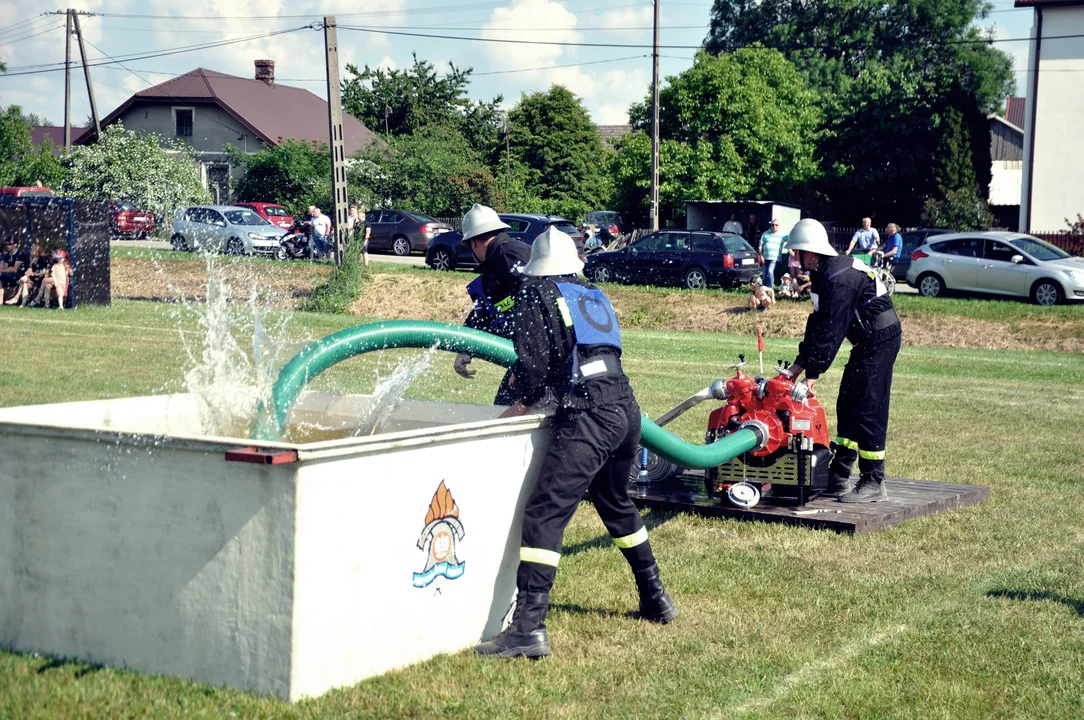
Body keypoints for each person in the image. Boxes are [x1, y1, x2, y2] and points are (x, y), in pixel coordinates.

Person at [474, 227, 677, 659]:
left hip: (589, 414)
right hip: (626, 408)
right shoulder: (592, 293)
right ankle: (656, 598)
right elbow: (587, 351)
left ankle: (528, 627)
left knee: (545, 513)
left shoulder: (536, 292)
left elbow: (534, 362)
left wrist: (520, 399)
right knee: (615, 500)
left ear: (537, 267)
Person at [784, 219, 902, 503]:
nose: (794, 260)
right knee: (847, 402)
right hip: (865, 342)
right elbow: (817, 324)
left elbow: (833, 331)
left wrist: (812, 374)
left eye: (796, 253)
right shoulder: (825, 276)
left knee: (867, 405)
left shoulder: (839, 280)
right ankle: (839, 474)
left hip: (880, 341)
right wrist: (798, 365)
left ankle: (874, 480)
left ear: (811, 253)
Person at [454, 203, 533, 406]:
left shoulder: (510, 256)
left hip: (544, 355)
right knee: (503, 406)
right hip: (534, 354)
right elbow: (485, 313)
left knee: (505, 412)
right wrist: (465, 348)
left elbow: (538, 305)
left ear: (472, 243)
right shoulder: (499, 262)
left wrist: (527, 363)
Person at [758, 219, 788, 288]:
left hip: (775, 258)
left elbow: (791, 240)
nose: (774, 226)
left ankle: (770, 289)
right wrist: (761, 256)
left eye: (776, 225)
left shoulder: (783, 235)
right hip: (765, 257)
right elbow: (760, 246)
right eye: (773, 225)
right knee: (765, 274)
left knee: (770, 272)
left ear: (779, 226)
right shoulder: (765, 233)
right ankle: (764, 289)